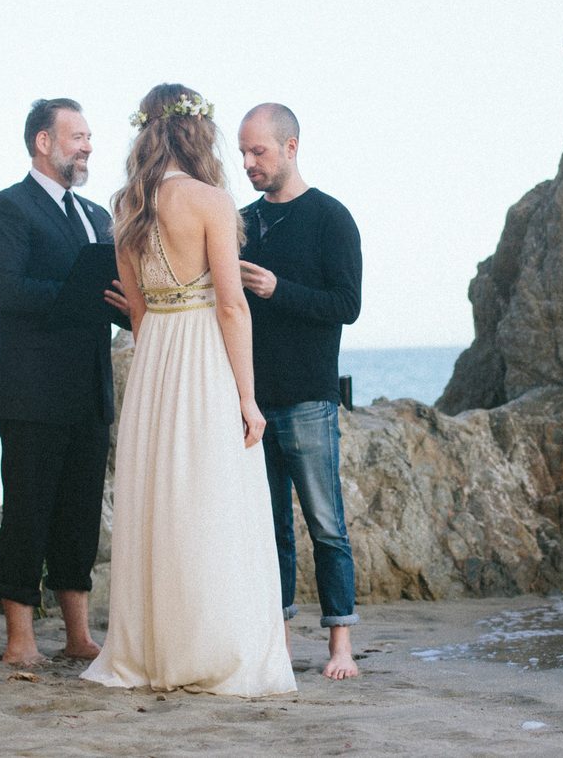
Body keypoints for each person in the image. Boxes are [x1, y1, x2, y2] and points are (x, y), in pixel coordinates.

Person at [81, 84, 295, 697]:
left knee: (159, 504)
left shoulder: (128, 203)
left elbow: (141, 311)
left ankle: (151, 653)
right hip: (202, 356)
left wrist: (158, 363)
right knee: (212, 502)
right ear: (197, 132)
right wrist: (248, 399)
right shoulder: (211, 200)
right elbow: (231, 306)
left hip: (155, 360)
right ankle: (211, 649)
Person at [0, 97, 129, 667]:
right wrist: (79, 295)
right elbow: (5, 291)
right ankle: (19, 640)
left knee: (80, 516)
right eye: (78, 135)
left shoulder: (95, 216)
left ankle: (79, 636)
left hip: (89, 390)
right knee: (27, 513)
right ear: (43, 141)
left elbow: (113, 299)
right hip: (30, 390)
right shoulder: (4, 209)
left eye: (90, 137)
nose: (88, 145)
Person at [236, 102, 362, 680]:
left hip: (310, 398)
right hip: (252, 402)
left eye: (258, 151)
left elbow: (346, 306)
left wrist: (277, 289)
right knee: (270, 530)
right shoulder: (239, 222)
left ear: (291, 148)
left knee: (326, 525)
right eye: (242, 153)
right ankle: (280, 643)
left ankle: (340, 647)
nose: (248, 163)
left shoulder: (331, 218)